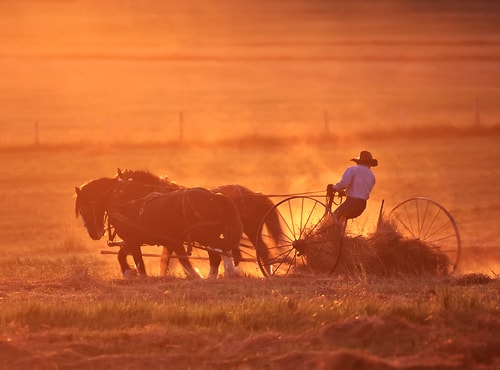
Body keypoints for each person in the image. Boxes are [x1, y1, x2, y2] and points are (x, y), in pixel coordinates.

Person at [327, 150, 378, 223]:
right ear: (369, 163)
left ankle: (329, 233)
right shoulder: (372, 176)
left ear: (358, 162)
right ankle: (338, 232)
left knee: (332, 219)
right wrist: (344, 193)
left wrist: (334, 187)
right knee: (341, 218)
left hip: (351, 203)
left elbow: (344, 184)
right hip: (362, 206)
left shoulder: (352, 170)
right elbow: (361, 192)